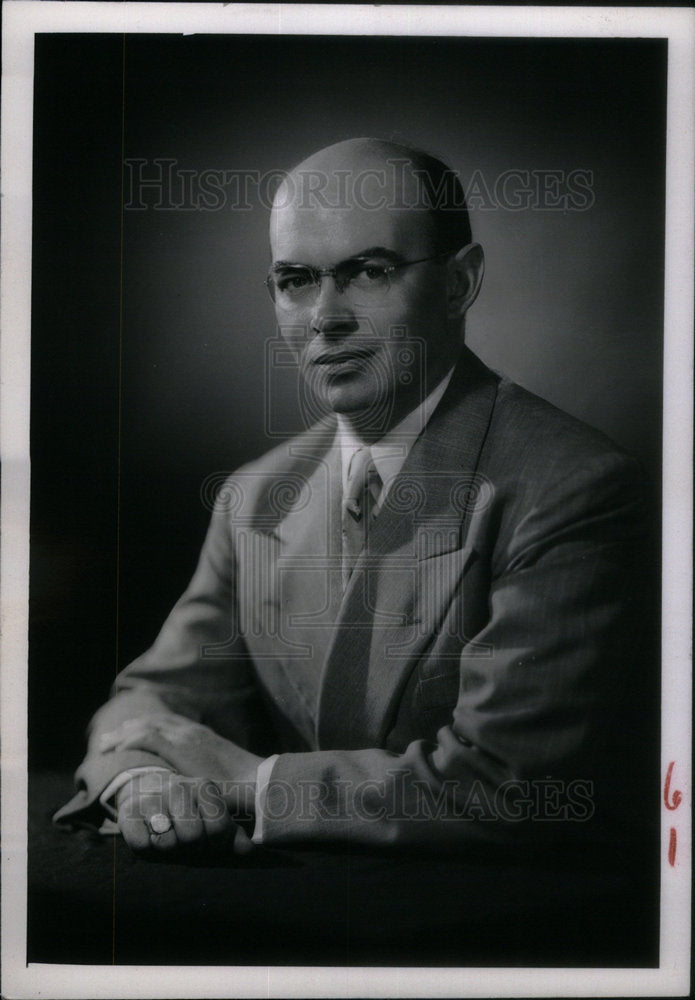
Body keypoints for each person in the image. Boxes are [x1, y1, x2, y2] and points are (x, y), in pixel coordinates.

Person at [54, 138, 652, 867]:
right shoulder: (254, 496)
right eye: (295, 280)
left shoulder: (569, 485)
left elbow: (505, 784)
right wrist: (149, 781)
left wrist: (248, 783)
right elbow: (149, 702)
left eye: (369, 271)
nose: (323, 319)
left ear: (459, 283)